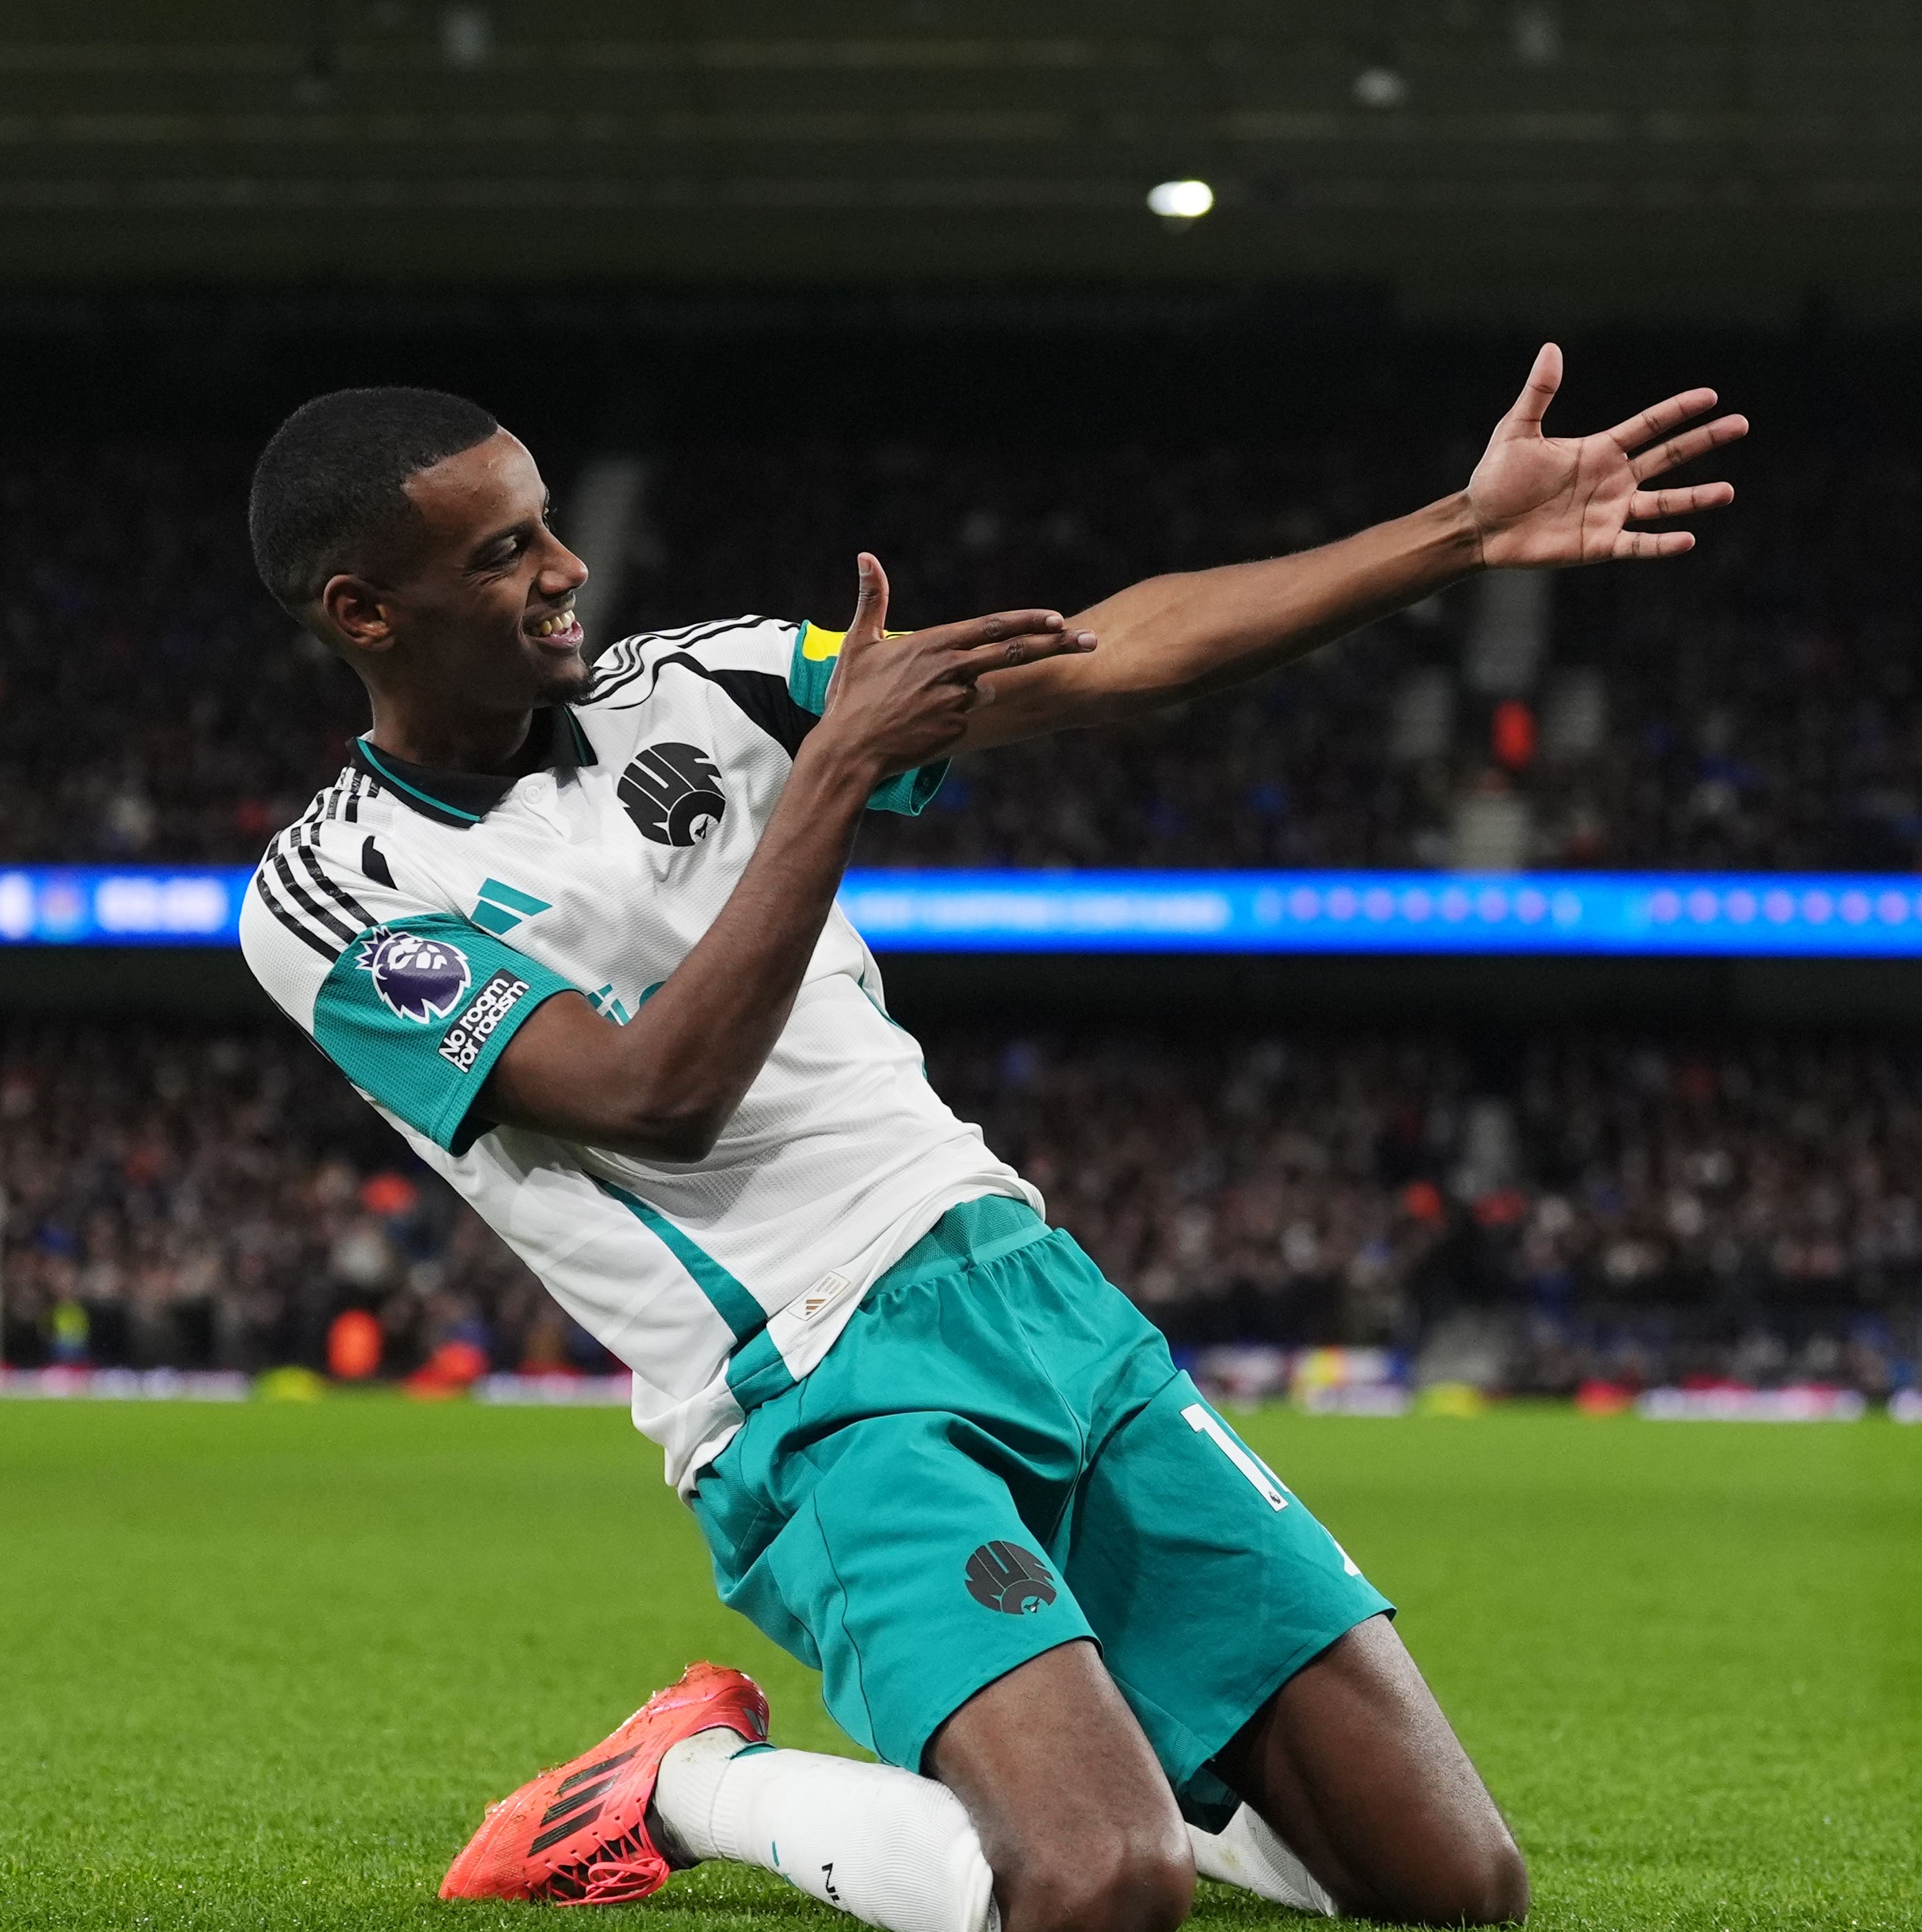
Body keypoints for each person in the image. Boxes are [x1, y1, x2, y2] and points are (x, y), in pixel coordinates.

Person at [236, 349, 1742, 1932]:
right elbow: (652, 1096)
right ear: (363, 612)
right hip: (811, 1389)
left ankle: (1096, 1749)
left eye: (547, 523)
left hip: (1033, 1289)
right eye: (502, 553)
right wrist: (832, 775)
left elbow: (1105, 655)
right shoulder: (335, 894)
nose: (566, 570)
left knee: (1455, 1889)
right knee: (1100, 1890)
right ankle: (689, 1782)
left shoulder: (705, 675)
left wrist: (1458, 532)